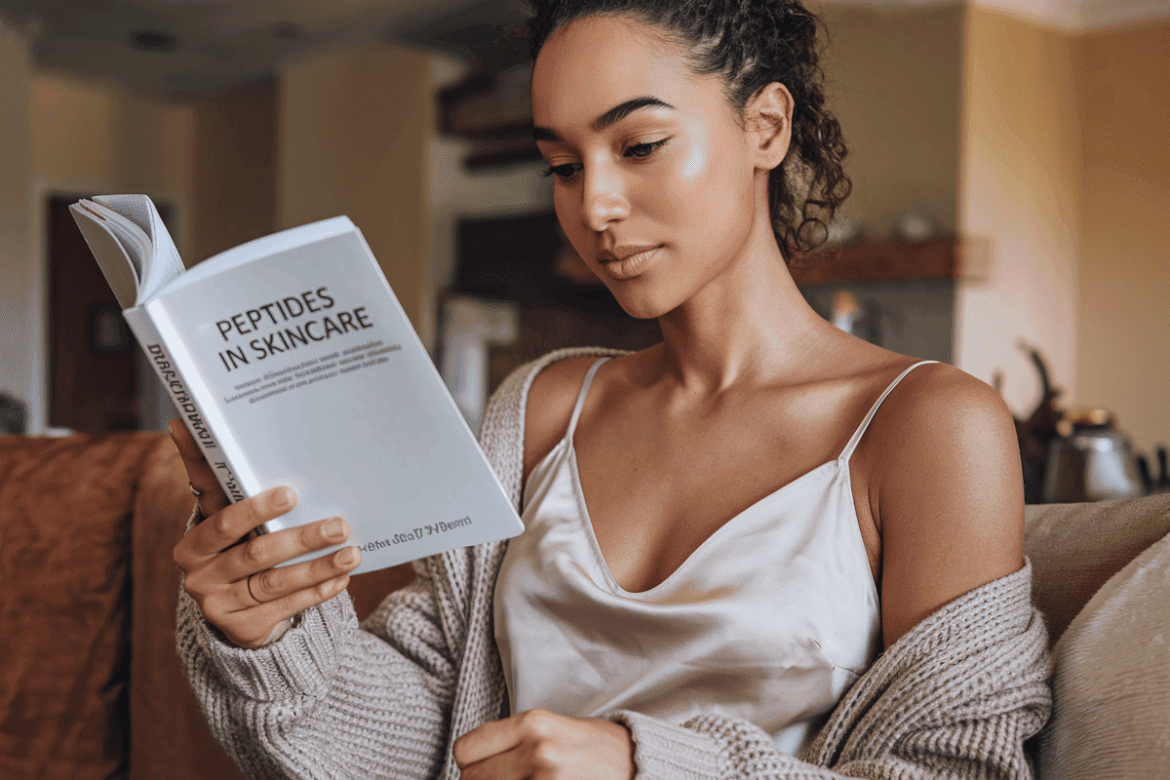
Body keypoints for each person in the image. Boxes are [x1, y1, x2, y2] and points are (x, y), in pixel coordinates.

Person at [171, 1, 1051, 778]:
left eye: (640, 147)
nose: (594, 207)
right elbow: (433, 730)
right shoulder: (543, 406)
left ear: (766, 127)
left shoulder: (929, 427)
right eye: (562, 165)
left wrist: (644, 766)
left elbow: (957, 770)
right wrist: (269, 637)